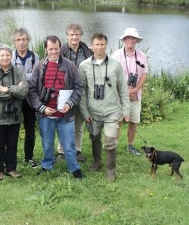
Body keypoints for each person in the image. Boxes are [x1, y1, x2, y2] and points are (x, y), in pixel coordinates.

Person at [29, 35, 84, 179]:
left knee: (69, 144)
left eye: (56, 49)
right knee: (47, 142)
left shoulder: (70, 65)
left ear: (61, 48)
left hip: (65, 114)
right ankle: (47, 165)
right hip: (45, 114)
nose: (54, 52)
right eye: (51, 49)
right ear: (46, 49)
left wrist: (69, 104)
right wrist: (42, 108)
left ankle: (74, 168)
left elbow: (78, 88)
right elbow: (32, 90)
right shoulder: (39, 66)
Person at [78, 33, 130, 181]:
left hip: (112, 111)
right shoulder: (84, 66)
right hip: (93, 111)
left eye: (102, 44)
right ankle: (97, 162)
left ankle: (111, 169)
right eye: (97, 44)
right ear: (92, 46)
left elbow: (123, 90)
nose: (99, 47)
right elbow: (82, 92)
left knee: (110, 141)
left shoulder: (116, 65)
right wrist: (84, 111)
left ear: (106, 45)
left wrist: (126, 111)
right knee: (94, 137)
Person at [0, 45, 28, 180]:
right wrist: (15, 90)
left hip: (14, 115)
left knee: (12, 144)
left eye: (8, 55)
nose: (5, 58)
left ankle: (11, 168)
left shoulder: (18, 71)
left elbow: (24, 92)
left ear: (12, 56)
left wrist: (7, 89)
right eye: (2, 55)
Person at [56, 23, 93, 163]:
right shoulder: (61, 51)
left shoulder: (88, 52)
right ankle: (61, 151)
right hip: (65, 92)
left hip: (82, 92)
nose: (74, 37)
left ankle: (77, 150)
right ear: (67, 36)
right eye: (71, 34)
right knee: (63, 123)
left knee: (78, 125)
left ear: (81, 36)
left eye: (77, 34)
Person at [112, 27, 147, 156]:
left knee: (133, 122)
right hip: (120, 96)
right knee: (118, 121)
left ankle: (130, 145)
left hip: (135, 95)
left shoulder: (142, 56)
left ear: (136, 40)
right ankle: (113, 145)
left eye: (134, 38)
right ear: (124, 40)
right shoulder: (116, 55)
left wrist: (135, 90)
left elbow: (144, 75)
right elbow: (111, 75)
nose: (131, 40)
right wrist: (124, 92)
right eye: (128, 38)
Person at [11, 27, 39, 168]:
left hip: (29, 99)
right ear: (14, 42)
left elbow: (36, 78)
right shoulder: (9, 57)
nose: (21, 42)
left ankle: (29, 157)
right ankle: (12, 158)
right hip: (15, 99)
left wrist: (23, 82)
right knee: (13, 129)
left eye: (24, 39)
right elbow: (7, 80)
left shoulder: (34, 57)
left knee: (30, 129)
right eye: (18, 40)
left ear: (28, 40)